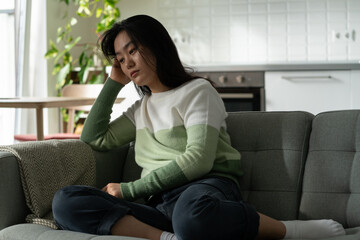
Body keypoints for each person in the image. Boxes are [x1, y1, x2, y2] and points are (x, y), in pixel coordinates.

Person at [52, 15, 346, 240]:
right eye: (120, 58)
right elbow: (93, 138)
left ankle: (287, 230)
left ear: (156, 46)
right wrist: (113, 82)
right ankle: (169, 237)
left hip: (206, 188)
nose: (127, 63)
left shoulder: (197, 91)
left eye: (133, 51)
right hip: (160, 207)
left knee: (192, 214)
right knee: (65, 201)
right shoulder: (141, 109)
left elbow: (199, 159)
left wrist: (129, 189)